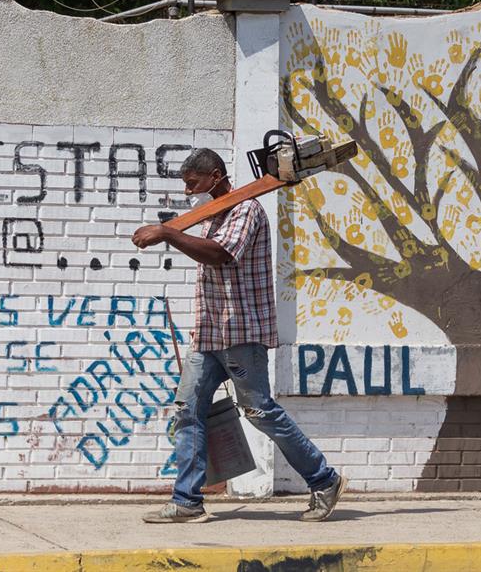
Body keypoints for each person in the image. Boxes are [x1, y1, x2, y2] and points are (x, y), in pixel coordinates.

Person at [131, 148, 346, 523]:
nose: (188, 191)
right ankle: (187, 500)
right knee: (188, 409)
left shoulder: (245, 210)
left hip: (240, 332)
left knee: (260, 411)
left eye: (192, 183)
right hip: (211, 334)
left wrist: (167, 232)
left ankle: (323, 479)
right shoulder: (214, 214)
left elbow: (220, 255)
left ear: (215, 176)